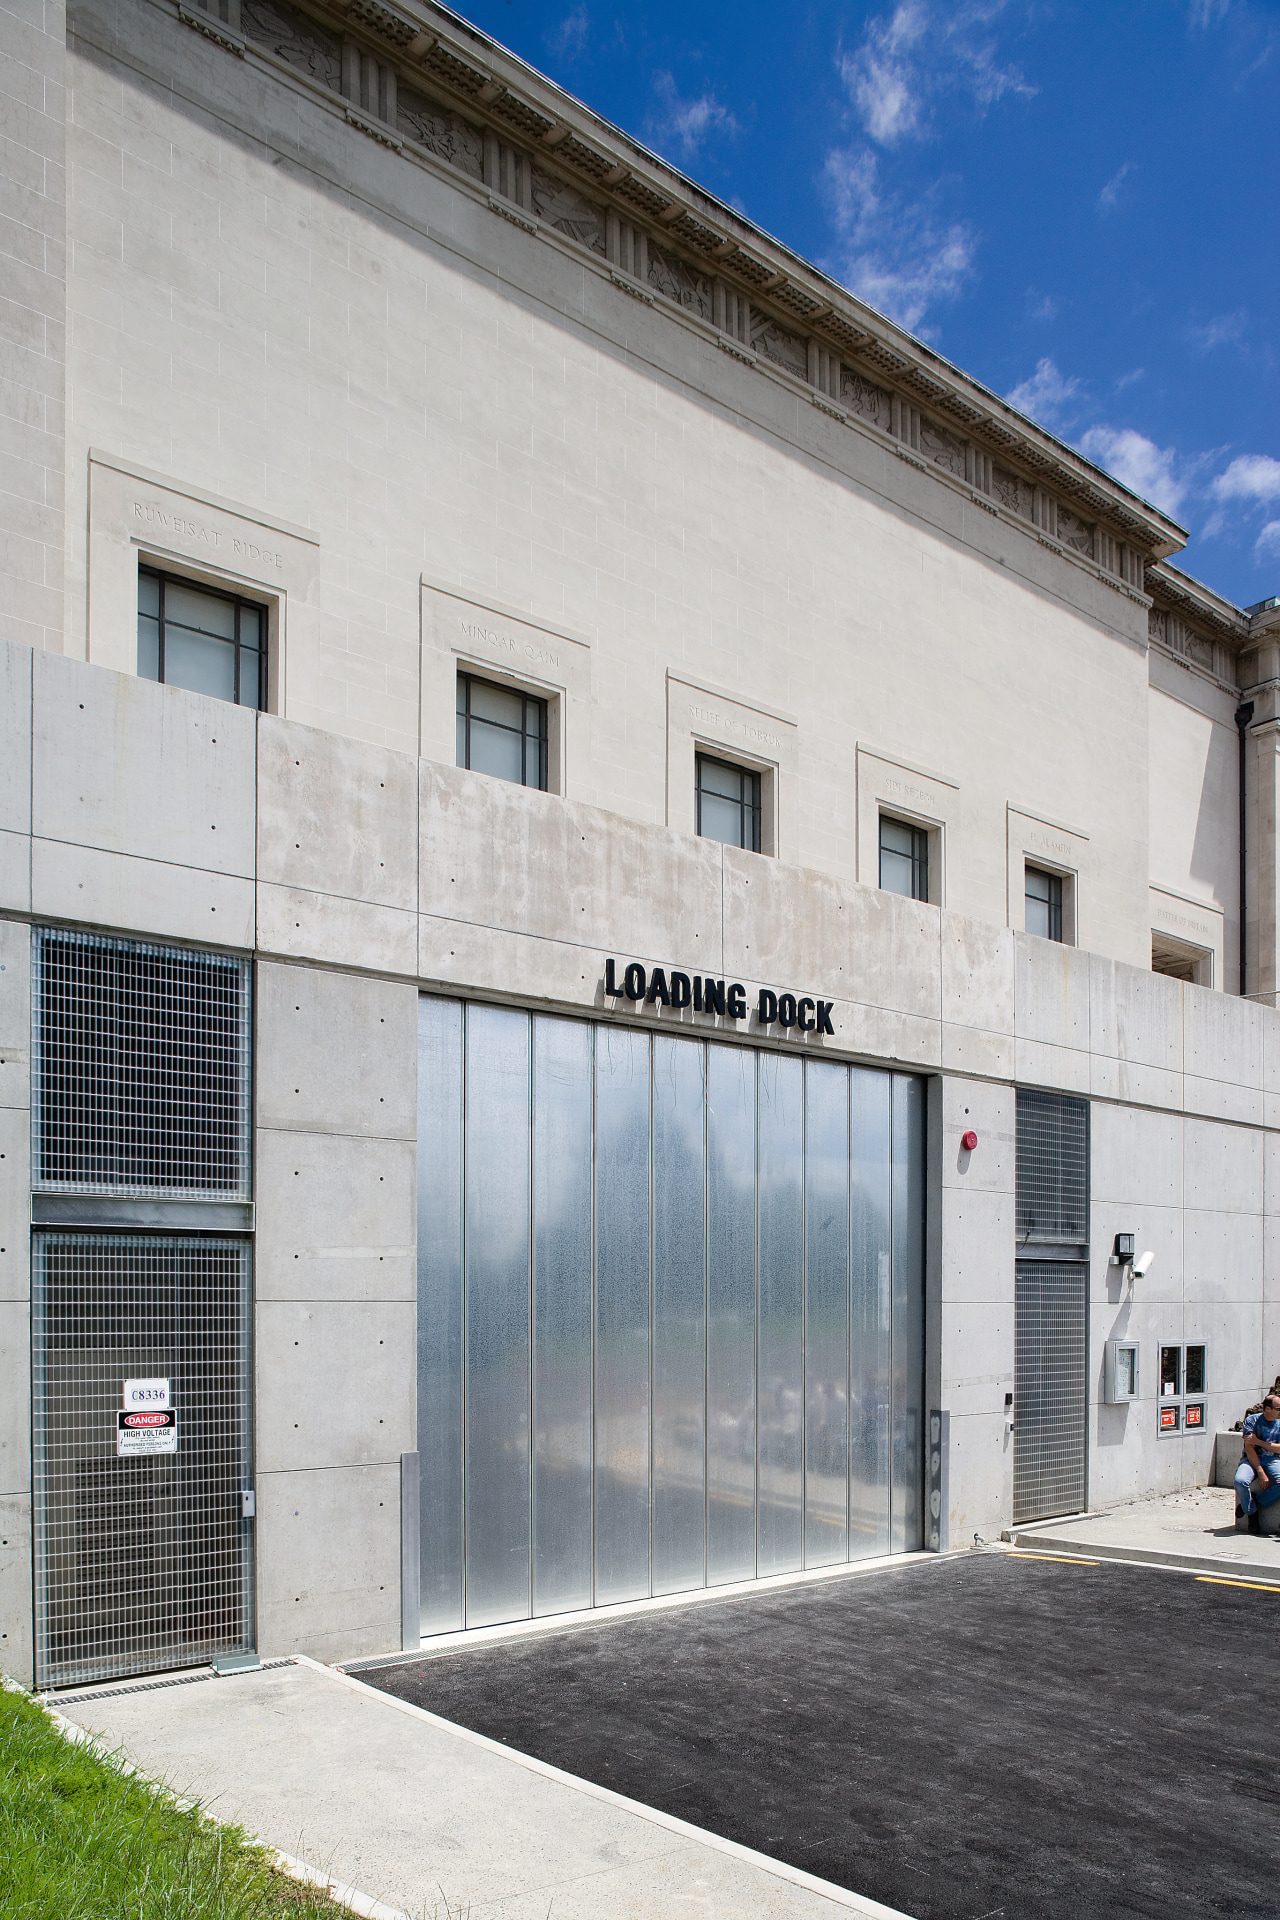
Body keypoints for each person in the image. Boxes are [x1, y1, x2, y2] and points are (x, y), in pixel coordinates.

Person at [1236, 1393, 1280, 1534]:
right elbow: (1250, 1447)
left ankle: (1256, 1501)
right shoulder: (1252, 1421)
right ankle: (1251, 1512)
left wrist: (1260, 1442)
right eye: (1279, 1408)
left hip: (1273, 1459)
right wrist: (1260, 1471)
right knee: (1240, 1481)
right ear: (1268, 1409)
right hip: (1251, 1459)